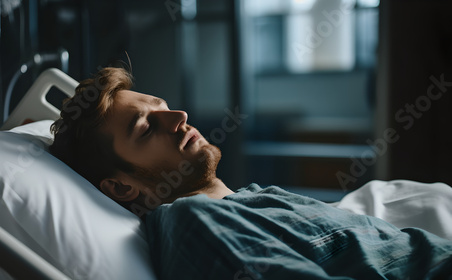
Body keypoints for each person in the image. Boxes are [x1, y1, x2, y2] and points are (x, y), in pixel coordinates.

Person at [50, 67, 452, 280]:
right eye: (146, 128)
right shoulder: (192, 221)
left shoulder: (253, 198)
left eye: (163, 106)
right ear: (121, 186)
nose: (178, 117)